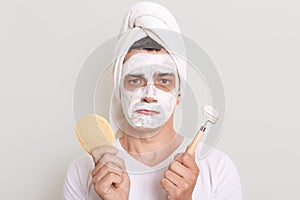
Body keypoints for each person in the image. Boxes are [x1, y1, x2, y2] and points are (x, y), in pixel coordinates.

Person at [63, 2, 242, 200]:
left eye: (163, 80)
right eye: (135, 80)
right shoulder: (84, 171)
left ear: (179, 93)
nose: (149, 94)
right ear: (119, 91)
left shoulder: (218, 168)